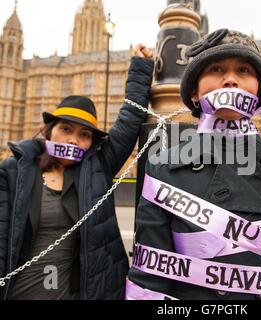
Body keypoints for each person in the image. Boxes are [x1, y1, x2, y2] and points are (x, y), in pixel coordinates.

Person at [126, 29, 261, 300]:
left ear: (259, 93)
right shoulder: (164, 169)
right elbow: (149, 282)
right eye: (216, 69)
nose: (231, 80)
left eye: (244, 70)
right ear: (195, 94)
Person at [0, 44, 154, 300]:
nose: (73, 140)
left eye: (84, 135)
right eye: (66, 130)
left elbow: (129, 121)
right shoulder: (13, 171)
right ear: (49, 130)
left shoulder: (96, 168)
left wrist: (140, 68)